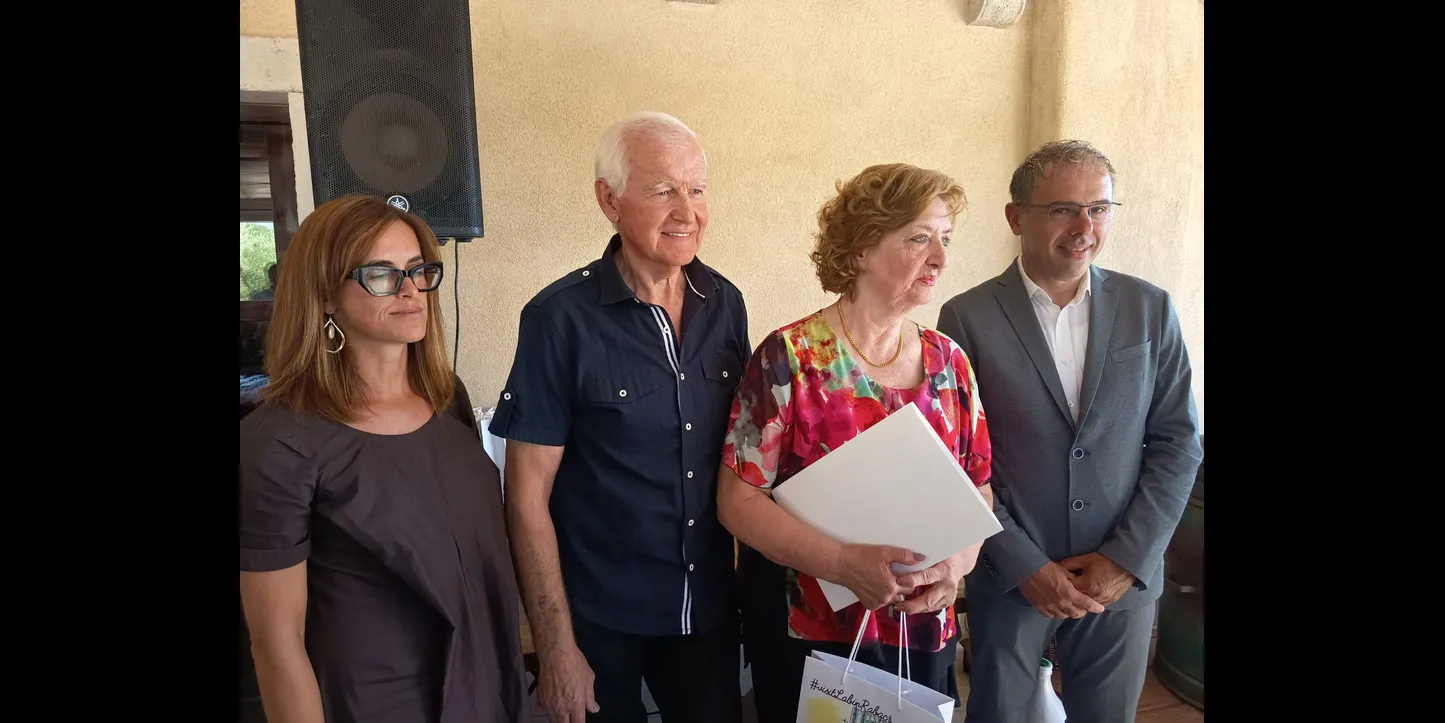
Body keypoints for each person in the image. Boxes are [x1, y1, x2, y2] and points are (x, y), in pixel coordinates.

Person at [489, 111, 749, 723]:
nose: (686, 211)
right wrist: (556, 648)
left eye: (697, 189)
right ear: (609, 200)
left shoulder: (726, 305)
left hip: (706, 611)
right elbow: (525, 497)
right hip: (600, 621)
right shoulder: (558, 319)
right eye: (663, 191)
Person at [934, 140, 1203, 723]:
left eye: (1099, 209)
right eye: (1062, 209)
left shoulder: (1150, 308)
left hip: (1121, 579)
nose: (1085, 227)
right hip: (1013, 578)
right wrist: (1022, 565)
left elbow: (1179, 441)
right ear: (1016, 217)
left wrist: (1127, 559)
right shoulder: (966, 317)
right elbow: (956, 461)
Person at [716, 163, 993, 723]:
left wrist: (955, 567)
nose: (940, 258)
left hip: (920, 630)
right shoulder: (790, 359)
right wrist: (843, 563)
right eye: (919, 238)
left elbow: (979, 489)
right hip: (811, 635)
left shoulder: (951, 362)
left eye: (945, 239)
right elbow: (736, 501)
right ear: (863, 248)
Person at [239, 194, 529, 723]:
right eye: (381, 274)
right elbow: (277, 648)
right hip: (374, 703)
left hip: (486, 688)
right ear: (325, 295)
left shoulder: (447, 399)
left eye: (418, 270)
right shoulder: (279, 442)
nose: (410, 290)